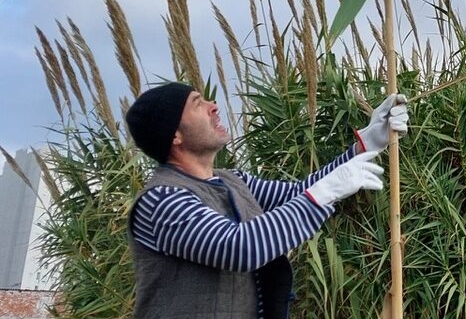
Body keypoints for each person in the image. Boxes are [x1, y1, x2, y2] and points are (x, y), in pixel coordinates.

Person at [124, 81, 408, 319]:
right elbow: (237, 247)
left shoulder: (232, 180)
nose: (213, 105)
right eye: (198, 103)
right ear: (174, 134)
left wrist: (367, 144)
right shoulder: (160, 200)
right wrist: (325, 193)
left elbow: (296, 195)